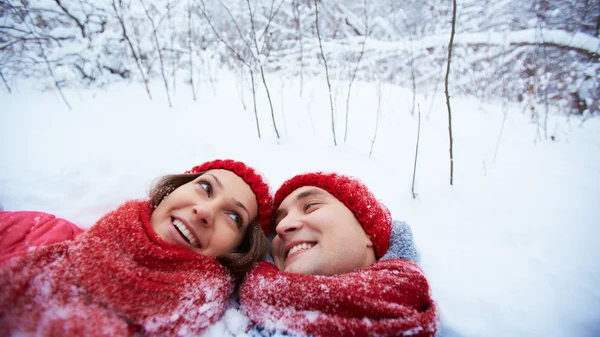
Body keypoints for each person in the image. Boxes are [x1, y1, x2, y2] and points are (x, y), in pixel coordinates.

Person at [0, 159, 274, 336]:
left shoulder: (219, 329)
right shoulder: (37, 231)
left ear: (239, 250)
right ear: (173, 189)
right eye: (205, 187)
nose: (204, 211)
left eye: (234, 216)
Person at [240, 172, 438, 337]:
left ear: (368, 231)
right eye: (276, 224)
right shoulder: (228, 319)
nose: (282, 226)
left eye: (310, 206)